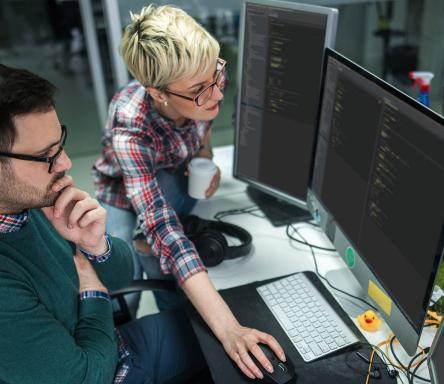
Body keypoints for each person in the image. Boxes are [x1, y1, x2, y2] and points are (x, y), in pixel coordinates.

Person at [92, 4, 286, 380]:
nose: (215, 95)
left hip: (173, 177)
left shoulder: (204, 85)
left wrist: (204, 153)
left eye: (217, 73)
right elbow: (163, 227)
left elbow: (205, 122)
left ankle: (178, 310)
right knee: (117, 288)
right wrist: (229, 329)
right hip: (123, 196)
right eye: (199, 90)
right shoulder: (130, 127)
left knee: (175, 279)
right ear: (158, 93)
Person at [0, 64, 207, 383]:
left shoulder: (27, 202)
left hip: (109, 344)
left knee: (228, 324)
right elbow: (86, 379)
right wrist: (94, 295)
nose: (66, 163)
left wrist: (97, 246)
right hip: (108, 371)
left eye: (60, 144)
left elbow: (122, 274)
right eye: (46, 155)